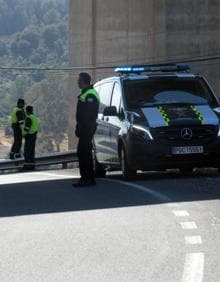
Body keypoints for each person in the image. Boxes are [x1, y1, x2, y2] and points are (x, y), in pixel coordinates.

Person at [73, 72, 100, 187]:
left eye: (79, 80)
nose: (77, 82)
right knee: (86, 153)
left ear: (84, 81)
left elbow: (88, 115)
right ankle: (90, 179)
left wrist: (82, 127)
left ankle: (85, 179)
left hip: (87, 129)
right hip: (86, 128)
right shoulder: (86, 93)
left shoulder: (90, 95)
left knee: (83, 153)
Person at [22, 106, 40, 171]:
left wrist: (23, 134)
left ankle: (26, 166)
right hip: (34, 136)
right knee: (32, 151)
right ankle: (32, 166)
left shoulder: (29, 118)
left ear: (27, 111)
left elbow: (27, 128)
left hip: (29, 136)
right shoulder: (35, 118)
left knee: (27, 151)